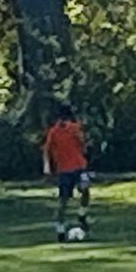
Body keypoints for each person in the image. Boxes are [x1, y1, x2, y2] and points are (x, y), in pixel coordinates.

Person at [43, 103, 90, 242]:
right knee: (63, 200)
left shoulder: (74, 129)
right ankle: (60, 228)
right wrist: (47, 166)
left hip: (79, 166)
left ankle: (82, 214)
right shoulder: (54, 132)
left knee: (85, 188)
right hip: (64, 169)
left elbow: (83, 144)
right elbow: (47, 150)